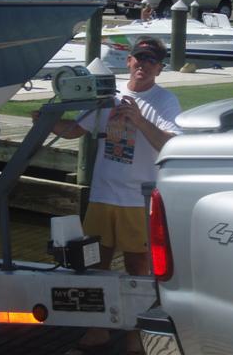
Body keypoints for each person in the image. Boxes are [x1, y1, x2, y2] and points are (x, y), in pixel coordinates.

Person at [34, 37, 181, 355]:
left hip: (137, 200)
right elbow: (76, 130)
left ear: (159, 68)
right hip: (102, 195)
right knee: (95, 265)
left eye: (151, 61)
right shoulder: (108, 96)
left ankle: (135, 335)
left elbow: (170, 144)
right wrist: (46, 119)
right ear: (128, 61)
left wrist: (139, 120)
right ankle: (97, 329)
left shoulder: (165, 100)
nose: (143, 65)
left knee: (138, 270)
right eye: (139, 58)